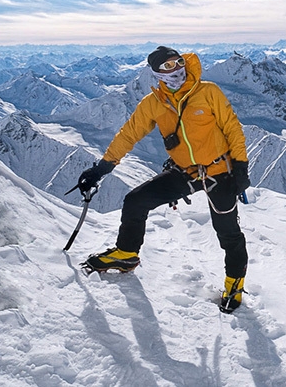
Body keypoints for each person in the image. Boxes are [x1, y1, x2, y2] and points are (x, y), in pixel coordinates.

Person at [76, 46, 250, 313]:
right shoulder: (153, 104)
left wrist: (240, 166)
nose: (176, 69)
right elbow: (128, 135)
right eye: (167, 66)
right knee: (136, 200)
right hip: (185, 171)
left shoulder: (208, 91)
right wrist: (101, 169)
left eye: (178, 62)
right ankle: (126, 254)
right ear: (156, 73)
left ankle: (234, 284)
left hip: (220, 172)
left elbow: (232, 128)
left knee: (229, 234)